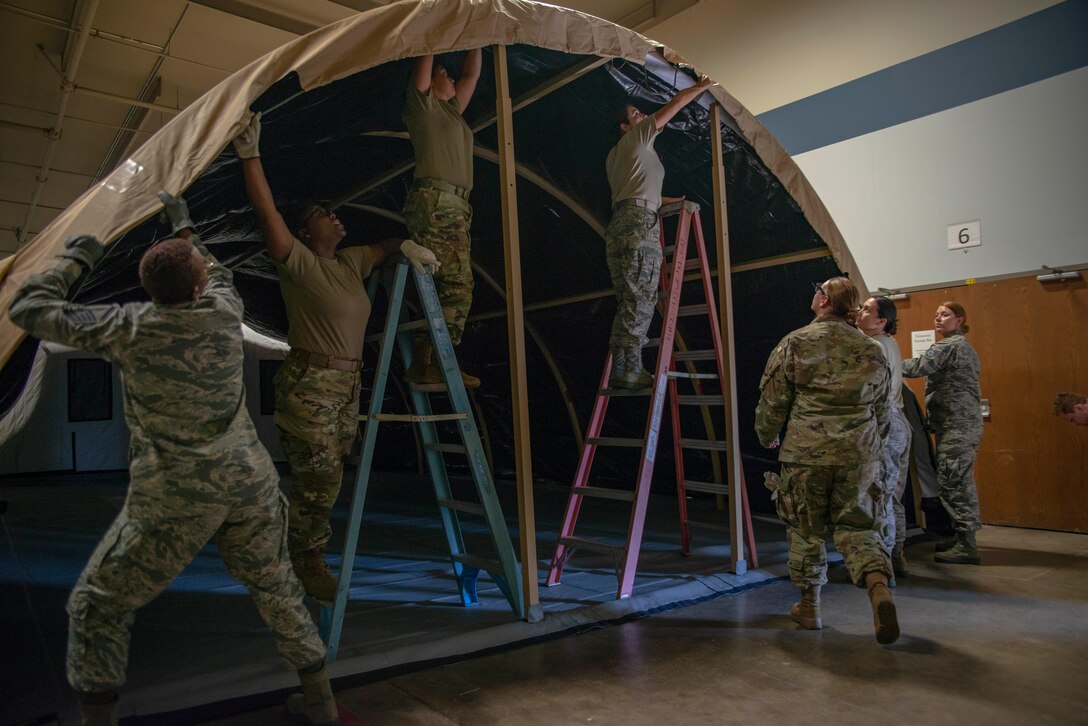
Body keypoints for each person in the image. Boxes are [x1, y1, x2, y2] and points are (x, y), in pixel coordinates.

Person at [7, 193, 339, 726]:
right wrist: (185, 227)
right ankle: (321, 702)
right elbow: (218, 273)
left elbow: (28, 310)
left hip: (179, 497)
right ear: (198, 285)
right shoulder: (224, 311)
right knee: (276, 587)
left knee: (98, 603)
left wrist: (79, 257)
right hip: (249, 485)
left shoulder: (131, 327)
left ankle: (99, 718)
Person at [234, 113, 438, 602]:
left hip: (347, 386)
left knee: (328, 476)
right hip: (310, 384)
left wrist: (405, 244)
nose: (335, 217)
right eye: (324, 215)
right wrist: (250, 157)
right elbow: (268, 215)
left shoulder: (348, 263)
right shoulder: (298, 263)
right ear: (306, 233)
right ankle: (306, 560)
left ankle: (289, 543)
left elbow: (383, 247)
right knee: (319, 479)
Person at [755, 277, 899, 645]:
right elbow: (884, 410)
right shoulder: (871, 350)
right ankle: (878, 587)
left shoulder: (796, 343)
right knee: (861, 526)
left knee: (806, 528)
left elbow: (774, 400)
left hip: (807, 454)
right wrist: (870, 446)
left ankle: (810, 607)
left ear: (822, 301)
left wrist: (767, 433)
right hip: (859, 454)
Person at [604, 74, 714, 388]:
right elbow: (676, 103)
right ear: (626, 127)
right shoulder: (637, 139)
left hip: (622, 222)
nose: (643, 117)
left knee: (629, 299)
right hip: (639, 225)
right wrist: (702, 86)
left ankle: (623, 365)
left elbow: (636, 190)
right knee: (641, 300)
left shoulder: (617, 156)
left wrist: (675, 201)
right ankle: (630, 368)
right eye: (636, 115)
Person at [402, 49, 483, 388]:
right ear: (430, 82)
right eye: (442, 74)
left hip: (453, 206)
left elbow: (472, 75)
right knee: (458, 286)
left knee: (451, 285)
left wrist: (477, 37)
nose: (450, 78)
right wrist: (435, 31)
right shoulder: (424, 107)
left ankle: (429, 358)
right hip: (438, 203)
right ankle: (436, 359)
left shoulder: (451, 112)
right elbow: (426, 61)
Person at [902, 302, 983, 565]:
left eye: (945, 315)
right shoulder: (960, 346)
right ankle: (961, 538)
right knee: (954, 480)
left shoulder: (950, 346)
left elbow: (916, 368)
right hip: (958, 425)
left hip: (957, 427)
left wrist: (885, 358)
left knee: (955, 483)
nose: (938, 318)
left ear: (960, 320)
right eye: (936, 314)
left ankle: (967, 546)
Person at [856, 296, 912, 579]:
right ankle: (897, 555)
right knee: (892, 496)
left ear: (882, 321)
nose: (859, 312)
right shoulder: (889, 343)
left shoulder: (874, 345)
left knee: (880, 497)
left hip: (884, 424)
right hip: (898, 423)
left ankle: (882, 564)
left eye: (867, 310)